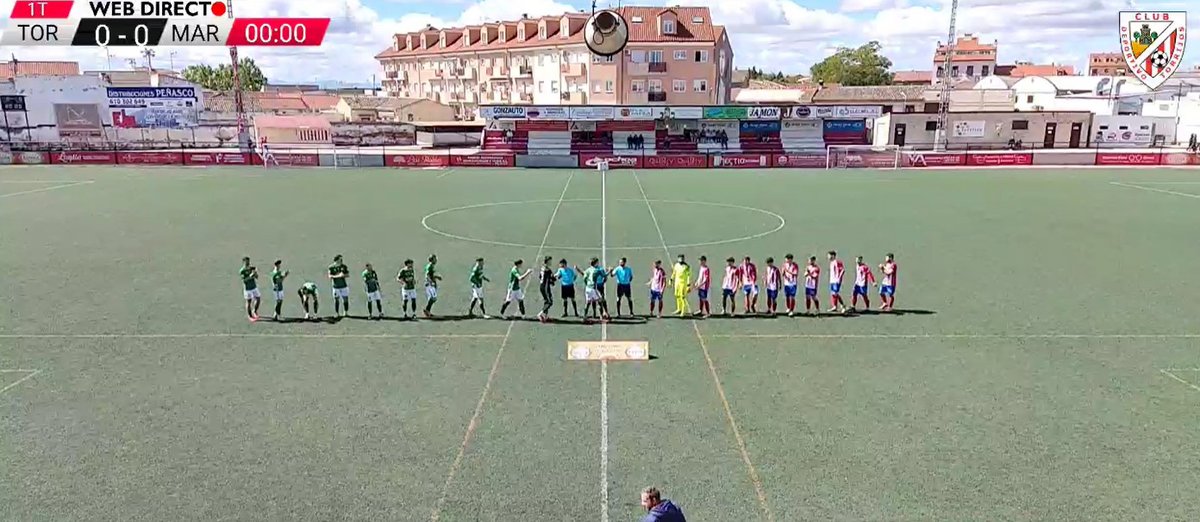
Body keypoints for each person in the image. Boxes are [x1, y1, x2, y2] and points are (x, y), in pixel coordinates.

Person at [238, 257, 261, 322]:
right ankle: (250, 316)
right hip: (248, 289)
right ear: (243, 262)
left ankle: (255, 311)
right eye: (246, 261)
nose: (248, 263)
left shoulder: (251, 268)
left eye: (248, 261)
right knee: (249, 302)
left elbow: (257, 277)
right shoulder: (242, 271)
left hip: (254, 286)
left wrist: (255, 273)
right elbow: (244, 280)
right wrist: (250, 276)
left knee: (258, 299)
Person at [537, 256, 556, 322]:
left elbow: (540, 277)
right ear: (547, 261)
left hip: (543, 286)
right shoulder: (548, 270)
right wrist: (552, 280)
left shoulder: (543, 268)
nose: (551, 262)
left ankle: (545, 316)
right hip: (545, 287)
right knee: (550, 302)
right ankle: (540, 314)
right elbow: (552, 278)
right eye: (550, 261)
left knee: (546, 301)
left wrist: (550, 281)